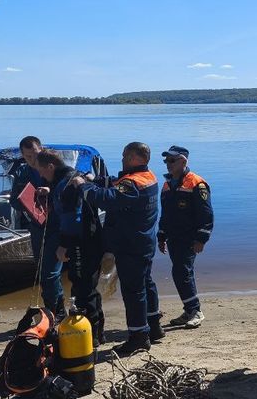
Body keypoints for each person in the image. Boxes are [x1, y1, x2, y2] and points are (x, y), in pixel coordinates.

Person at [71, 142, 161, 355]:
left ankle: (139, 337)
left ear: (133, 158)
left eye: (124, 156)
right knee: (146, 283)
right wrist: (98, 180)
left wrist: (83, 185)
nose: (121, 159)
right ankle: (154, 326)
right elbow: (118, 185)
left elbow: (106, 199)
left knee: (133, 291)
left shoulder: (133, 183)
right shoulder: (148, 177)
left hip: (130, 244)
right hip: (144, 241)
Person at [35, 150, 106, 341]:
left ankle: (91, 336)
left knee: (82, 288)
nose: (41, 175)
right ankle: (97, 333)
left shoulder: (67, 185)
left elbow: (73, 219)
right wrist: (50, 192)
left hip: (83, 242)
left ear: (51, 166)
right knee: (87, 286)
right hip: (90, 239)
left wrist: (63, 245)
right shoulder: (70, 178)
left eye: (42, 171)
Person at [157, 145, 213, 329]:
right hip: (173, 237)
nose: (168, 164)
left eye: (172, 161)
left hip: (189, 238)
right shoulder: (167, 185)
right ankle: (190, 309)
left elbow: (206, 215)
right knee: (182, 272)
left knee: (182, 272)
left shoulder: (197, 183)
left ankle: (195, 310)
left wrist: (201, 239)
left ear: (183, 161)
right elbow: (165, 214)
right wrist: (161, 235)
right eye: (166, 161)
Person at [10, 136, 64, 317]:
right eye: (27, 157)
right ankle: (57, 310)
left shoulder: (55, 168)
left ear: (42, 150)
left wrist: (49, 192)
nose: (32, 161)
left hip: (57, 226)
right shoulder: (22, 172)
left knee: (50, 272)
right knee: (43, 270)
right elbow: (14, 202)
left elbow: (69, 194)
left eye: (35, 155)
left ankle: (53, 312)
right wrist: (27, 198)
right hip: (38, 226)